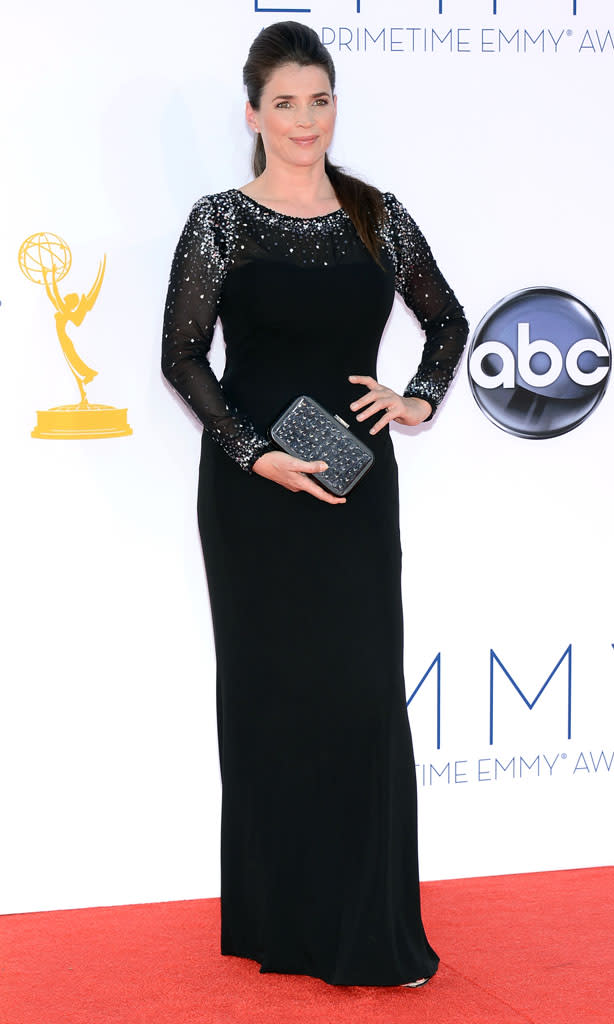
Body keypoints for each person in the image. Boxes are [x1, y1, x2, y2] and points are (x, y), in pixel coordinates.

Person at [161, 20, 468, 988]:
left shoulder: (377, 215)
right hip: (255, 501)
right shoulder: (221, 219)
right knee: (268, 700)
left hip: (350, 487)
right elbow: (181, 354)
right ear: (251, 114)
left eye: (319, 99)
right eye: (284, 103)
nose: (304, 120)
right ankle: (280, 926)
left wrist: (415, 395)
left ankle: (367, 929)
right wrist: (254, 455)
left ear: (335, 106)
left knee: (361, 695)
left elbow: (446, 317)